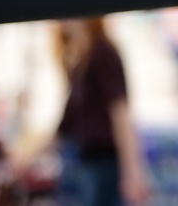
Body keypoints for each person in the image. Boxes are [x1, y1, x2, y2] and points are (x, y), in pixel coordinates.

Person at [55, 17, 151, 206]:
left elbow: (120, 115)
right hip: (91, 167)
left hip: (106, 167)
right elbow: (65, 126)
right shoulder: (81, 60)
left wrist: (132, 172)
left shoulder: (102, 54)